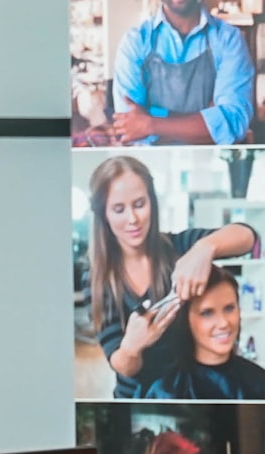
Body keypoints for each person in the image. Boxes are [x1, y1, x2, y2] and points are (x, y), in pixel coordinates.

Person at [88, 155, 257, 398]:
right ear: (104, 215)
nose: (132, 219)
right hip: (138, 396)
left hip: (191, 389)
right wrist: (133, 346)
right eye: (118, 209)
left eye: (139, 204)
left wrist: (205, 248)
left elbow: (249, 238)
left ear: (152, 204)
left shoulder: (179, 247)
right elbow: (123, 364)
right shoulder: (98, 277)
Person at [111, 0, 253, 146]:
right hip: (151, 164)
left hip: (213, 164)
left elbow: (233, 123)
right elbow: (129, 128)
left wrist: (150, 124)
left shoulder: (229, 39)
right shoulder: (136, 41)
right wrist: (208, 121)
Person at [143, 265, 265, 398]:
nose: (223, 323)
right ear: (186, 319)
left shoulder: (259, 382)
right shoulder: (165, 391)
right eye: (207, 313)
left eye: (229, 308)